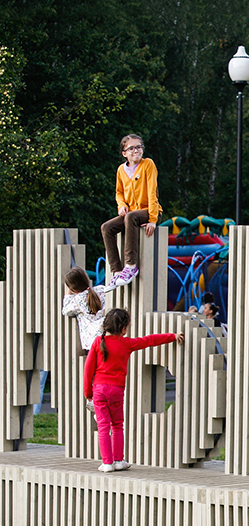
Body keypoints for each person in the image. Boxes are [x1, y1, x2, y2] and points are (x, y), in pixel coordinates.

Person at [83, 308, 184, 472]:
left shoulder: (97, 342)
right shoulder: (126, 343)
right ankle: (118, 460)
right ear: (123, 328)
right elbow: (149, 340)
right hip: (116, 390)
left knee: (103, 427)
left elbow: (88, 369)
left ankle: (107, 463)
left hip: (99, 389)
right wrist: (172, 336)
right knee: (117, 425)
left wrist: (88, 393)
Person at [100, 134, 161, 287]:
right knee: (106, 228)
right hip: (131, 214)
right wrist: (121, 205)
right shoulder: (121, 170)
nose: (136, 150)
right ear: (124, 153)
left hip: (149, 211)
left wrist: (153, 219)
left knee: (131, 217)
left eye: (139, 147)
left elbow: (152, 192)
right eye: (132, 148)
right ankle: (116, 271)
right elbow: (119, 192)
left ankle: (131, 266)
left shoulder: (148, 164)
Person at [61, 267, 110, 354]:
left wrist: (69, 294)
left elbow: (65, 310)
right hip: (107, 336)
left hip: (91, 343)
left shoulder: (78, 300)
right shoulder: (101, 289)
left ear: (73, 289)